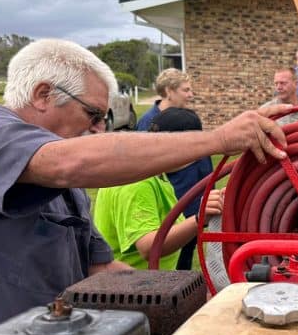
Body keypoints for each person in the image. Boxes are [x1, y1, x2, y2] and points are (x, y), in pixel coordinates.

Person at [0, 38, 288, 335]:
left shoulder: (68, 190)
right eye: (93, 114)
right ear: (43, 95)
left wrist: (194, 302)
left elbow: (101, 268)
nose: (99, 129)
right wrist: (219, 139)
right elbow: (67, 162)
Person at [93, 108, 222, 270]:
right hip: (132, 283)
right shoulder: (137, 183)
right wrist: (198, 219)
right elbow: (148, 247)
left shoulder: (155, 172)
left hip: (149, 281)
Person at [137, 68, 212, 269]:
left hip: (194, 200)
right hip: (176, 202)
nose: (190, 95)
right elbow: (148, 166)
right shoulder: (150, 123)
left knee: (186, 255)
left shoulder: (186, 118)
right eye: (185, 90)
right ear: (169, 91)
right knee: (172, 256)